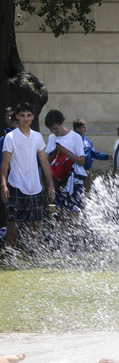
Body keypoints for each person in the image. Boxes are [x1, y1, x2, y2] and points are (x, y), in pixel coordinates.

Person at [0, 103, 55, 252]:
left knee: (37, 222)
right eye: (22, 115)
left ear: (33, 117)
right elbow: (4, 163)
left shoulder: (37, 136)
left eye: (29, 115)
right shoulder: (10, 137)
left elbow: (44, 161)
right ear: (17, 117)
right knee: (14, 222)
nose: (26, 118)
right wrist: (3, 185)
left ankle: (36, 252)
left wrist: (50, 184)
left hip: (35, 186)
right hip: (16, 185)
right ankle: (10, 253)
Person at [44, 109, 87, 239]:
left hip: (74, 180)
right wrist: (54, 152)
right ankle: (65, 244)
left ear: (62, 123)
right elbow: (48, 162)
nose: (54, 132)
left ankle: (79, 243)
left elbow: (81, 160)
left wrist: (63, 150)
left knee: (74, 213)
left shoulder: (75, 137)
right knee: (61, 214)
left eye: (56, 128)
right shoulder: (52, 138)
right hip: (59, 180)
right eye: (51, 129)